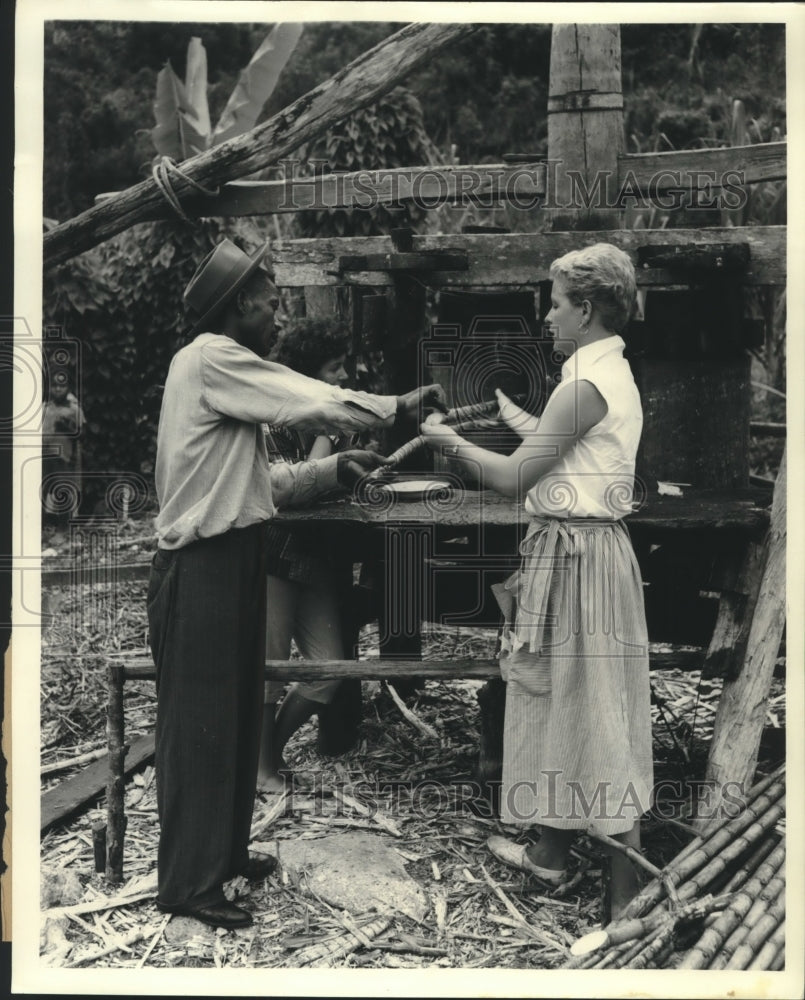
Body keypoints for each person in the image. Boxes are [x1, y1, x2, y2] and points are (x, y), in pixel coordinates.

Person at [147, 238, 445, 929]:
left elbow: (260, 483)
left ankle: (221, 857)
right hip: (205, 565)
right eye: (269, 302)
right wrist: (395, 406)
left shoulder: (212, 373)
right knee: (202, 727)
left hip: (233, 553)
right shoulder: (211, 358)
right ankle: (187, 884)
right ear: (239, 306)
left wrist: (330, 472)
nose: (277, 315)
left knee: (233, 711)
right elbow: (309, 404)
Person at [421, 243, 653, 920]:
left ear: (585, 308)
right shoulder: (596, 375)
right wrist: (511, 419)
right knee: (560, 698)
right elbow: (556, 451)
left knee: (601, 720)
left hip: (582, 563)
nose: (546, 315)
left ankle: (624, 906)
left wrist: (450, 443)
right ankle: (550, 855)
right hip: (576, 554)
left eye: (554, 303)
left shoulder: (585, 385)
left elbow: (518, 475)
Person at [258, 316, 362, 792]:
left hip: (314, 554)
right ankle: (259, 771)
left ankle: (269, 754)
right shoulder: (272, 418)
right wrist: (331, 434)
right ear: (309, 374)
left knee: (328, 669)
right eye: (335, 369)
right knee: (271, 669)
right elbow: (290, 486)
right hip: (275, 553)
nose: (343, 378)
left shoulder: (335, 423)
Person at [42, 378, 84, 524]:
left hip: (65, 456)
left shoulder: (74, 409)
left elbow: (81, 434)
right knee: (46, 489)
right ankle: (46, 525)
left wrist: (65, 427)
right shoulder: (45, 408)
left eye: (62, 385)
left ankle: (63, 528)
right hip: (46, 455)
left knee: (63, 488)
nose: (58, 389)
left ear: (69, 387)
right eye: (54, 385)